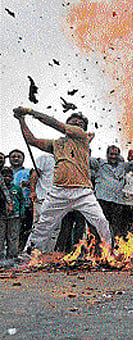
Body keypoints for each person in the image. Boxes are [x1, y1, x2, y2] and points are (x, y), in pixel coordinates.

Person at [13, 107, 112, 255]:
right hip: (58, 192)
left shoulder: (81, 137)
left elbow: (54, 123)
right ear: (69, 123)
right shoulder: (57, 144)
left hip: (83, 191)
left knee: (101, 222)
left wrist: (30, 112)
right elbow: (31, 140)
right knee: (43, 225)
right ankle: (29, 254)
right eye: (74, 121)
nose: (77, 123)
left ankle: (109, 253)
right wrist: (22, 120)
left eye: (80, 123)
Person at [90, 145, 129, 238]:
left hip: (117, 202)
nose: (113, 157)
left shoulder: (124, 166)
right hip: (102, 201)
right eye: (111, 154)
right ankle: (98, 249)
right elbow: (84, 158)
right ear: (107, 154)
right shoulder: (100, 163)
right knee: (100, 227)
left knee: (116, 229)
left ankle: (113, 249)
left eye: (116, 154)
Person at [8, 149, 32, 249]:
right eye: (13, 156)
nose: (16, 158)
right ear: (9, 159)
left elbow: (35, 186)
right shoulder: (3, 172)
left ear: (23, 159)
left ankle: (20, 251)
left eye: (19, 157)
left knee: (23, 230)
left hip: (24, 206)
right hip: (6, 207)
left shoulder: (28, 172)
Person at [0, 167, 25, 260]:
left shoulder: (17, 188)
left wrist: (22, 212)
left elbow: (22, 201)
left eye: (9, 176)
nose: (7, 178)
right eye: (4, 176)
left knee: (13, 236)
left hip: (14, 216)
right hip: (1, 216)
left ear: (13, 177)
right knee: (1, 236)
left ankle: (12, 255)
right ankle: (1, 256)